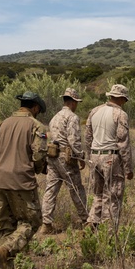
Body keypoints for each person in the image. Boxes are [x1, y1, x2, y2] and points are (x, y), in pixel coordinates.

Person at [0, 91, 48, 269]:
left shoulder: (3, 123)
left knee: (6, 226)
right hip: (21, 180)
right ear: (35, 108)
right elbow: (39, 155)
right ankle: (6, 249)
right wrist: (39, 168)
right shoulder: (36, 125)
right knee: (32, 221)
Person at [84, 84, 133, 229]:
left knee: (98, 194)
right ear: (122, 99)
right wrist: (128, 167)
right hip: (111, 157)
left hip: (95, 156)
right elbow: (123, 142)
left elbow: (87, 137)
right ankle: (109, 232)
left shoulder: (94, 111)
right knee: (113, 197)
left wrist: (90, 157)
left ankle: (92, 222)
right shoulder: (120, 114)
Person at [40, 88, 87, 234]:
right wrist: (80, 157)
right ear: (72, 102)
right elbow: (74, 140)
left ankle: (46, 224)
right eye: (76, 102)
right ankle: (86, 220)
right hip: (66, 158)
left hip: (52, 156)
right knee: (76, 188)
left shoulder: (54, 117)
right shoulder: (72, 117)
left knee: (51, 189)